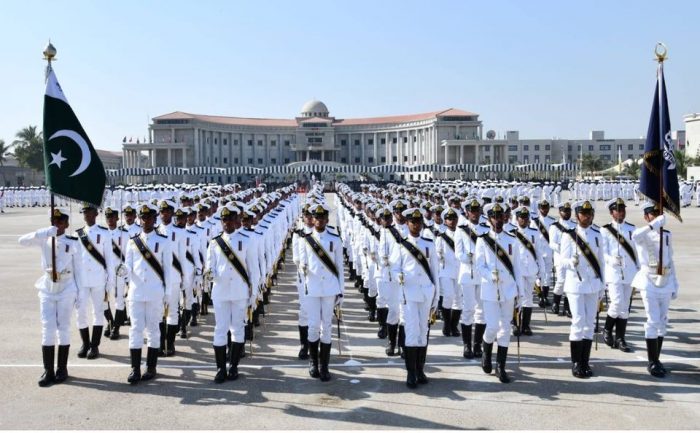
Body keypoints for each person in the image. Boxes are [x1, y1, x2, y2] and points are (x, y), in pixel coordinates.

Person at [19, 207, 79, 387]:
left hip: (67, 287)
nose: (57, 224)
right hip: (47, 287)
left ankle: (62, 368)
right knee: (48, 328)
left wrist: (79, 295)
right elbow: (21, 241)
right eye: (54, 221)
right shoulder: (44, 238)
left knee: (64, 327)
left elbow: (79, 270)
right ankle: (48, 370)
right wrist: (44, 232)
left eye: (61, 221)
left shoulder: (73, 242)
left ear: (67, 224)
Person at [206, 204, 260, 383]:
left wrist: (253, 294)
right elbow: (209, 266)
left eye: (230, 219)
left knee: (237, 329)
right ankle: (220, 368)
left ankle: (234, 366)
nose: (226, 223)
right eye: (224, 220)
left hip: (239, 291)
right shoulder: (215, 242)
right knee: (220, 329)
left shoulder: (247, 239)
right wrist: (210, 273)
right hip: (220, 291)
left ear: (237, 220)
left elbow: (254, 269)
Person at [474, 203, 524, 383]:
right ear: (488, 219)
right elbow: (479, 266)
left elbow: (517, 268)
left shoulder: (512, 239)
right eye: (493, 216)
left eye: (500, 216)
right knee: (493, 326)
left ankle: (501, 366)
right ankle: (486, 352)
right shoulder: (482, 240)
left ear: (504, 217)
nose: (497, 219)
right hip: (490, 290)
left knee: (506, 328)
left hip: (509, 290)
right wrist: (489, 275)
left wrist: (521, 292)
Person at [390, 207, 440, 389]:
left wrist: (436, 297)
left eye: (418, 222)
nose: (415, 225)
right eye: (412, 222)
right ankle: (411, 373)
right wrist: (399, 276)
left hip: (426, 293)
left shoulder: (429, 244)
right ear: (407, 223)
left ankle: (420, 369)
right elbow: (394, 268)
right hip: (409, 295)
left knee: (423, 333)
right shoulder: (401, 245)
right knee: (411, 333)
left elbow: (435, 273)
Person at [124, 203, 172, 384]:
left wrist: (167, 292)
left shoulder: (164, 241)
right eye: (143, 218)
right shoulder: (132, 241)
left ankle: (151, 367)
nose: (145, 221)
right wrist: (123, 270)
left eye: (149, 217)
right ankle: (135, 369)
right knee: (135, 329)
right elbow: (129, 265)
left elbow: (167, 269)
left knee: (153, 329)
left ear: (154, 218)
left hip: (155, 292)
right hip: (136, 292)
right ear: (139, 219)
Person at [631, 202, 679, 377]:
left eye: (659, 214)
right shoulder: (642, 234)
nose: (658, 216)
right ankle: (652, 362)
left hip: (665, 280)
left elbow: (670, 259)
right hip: (648, 281)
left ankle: (657, 359)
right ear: (646, 217)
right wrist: (653, 225)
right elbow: (634, 237)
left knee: (663, 321)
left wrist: (675, 283)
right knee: (653, 320)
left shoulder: (667, 235)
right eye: (653, 214)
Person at [298, 203, 344, 382]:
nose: (319, 220)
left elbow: (339, 267)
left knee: (327, 327)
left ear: (326, 219)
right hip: (313, 289)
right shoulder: (305, 240)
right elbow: (302, 266)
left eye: (322, 218)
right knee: (313, 326)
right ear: (313, 219)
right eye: (316, 218)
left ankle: (325, 366)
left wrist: (341, 292)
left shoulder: (335, 239)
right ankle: (313, 362)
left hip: (330, 289)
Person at [559, 200, 605, 379]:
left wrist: (603, 285)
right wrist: (570, 262)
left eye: (589, 213)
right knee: (578, 321)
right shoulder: (568, 236)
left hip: (593, 284)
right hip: (575, 285)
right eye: (583, 213)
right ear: (577, 215)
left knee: (590, 323)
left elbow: (601, 262)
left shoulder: (597, 234)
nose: (587, 216)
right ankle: (576, 362)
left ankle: (585, 361)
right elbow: (560, 261)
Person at [74, 203, 116, 359]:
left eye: (89, 212)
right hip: (82, 280)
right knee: (80, 312)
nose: (86, 214)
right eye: (84, 212)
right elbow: (75, 260)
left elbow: (109, 260)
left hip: (99, 279)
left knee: (98, 313)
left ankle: (94, 345)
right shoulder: (77, 234)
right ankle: (85, 343)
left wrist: (109, 281)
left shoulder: (104, 233)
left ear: (96, 214)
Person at [600, 198, 639, 352]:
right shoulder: (605, 230)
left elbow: (637, 252)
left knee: (625, 307)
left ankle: (621, 338)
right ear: (611, 212)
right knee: (616, 303)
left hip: (629, 273)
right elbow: (601, 252)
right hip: (613, 273)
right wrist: (611, 259)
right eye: (617, 209)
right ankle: (607, 329)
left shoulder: (632, 228)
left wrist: (638, 271)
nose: (621, 212)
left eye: (623, 209)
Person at [291, 204, 314, 359]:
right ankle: (304, 345)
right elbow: (295, 257)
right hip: (304, 278)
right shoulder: (298, 235)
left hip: (320, 279)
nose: (310, 219)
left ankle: (315, 344)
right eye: (307, 216)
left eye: (312, 216)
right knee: (305, 311)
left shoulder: (325, 234)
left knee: (319, 315)